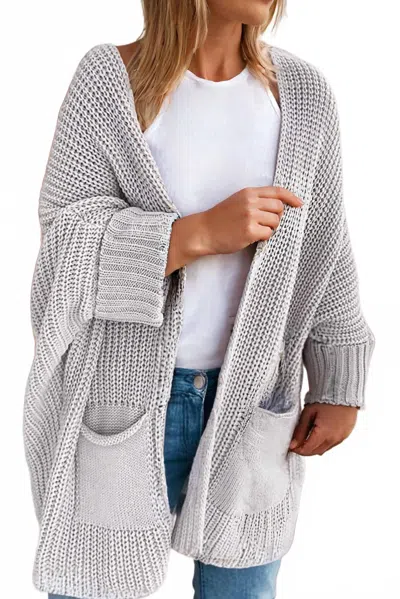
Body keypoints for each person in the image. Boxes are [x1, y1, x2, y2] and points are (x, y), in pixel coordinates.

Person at [23, 1, 375, 598]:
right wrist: (195, 235)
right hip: (118, 404)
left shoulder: (305, 95)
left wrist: (339, 382)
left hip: (253, 405)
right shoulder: (109, 82)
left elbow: (325, 247)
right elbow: (62, 252)